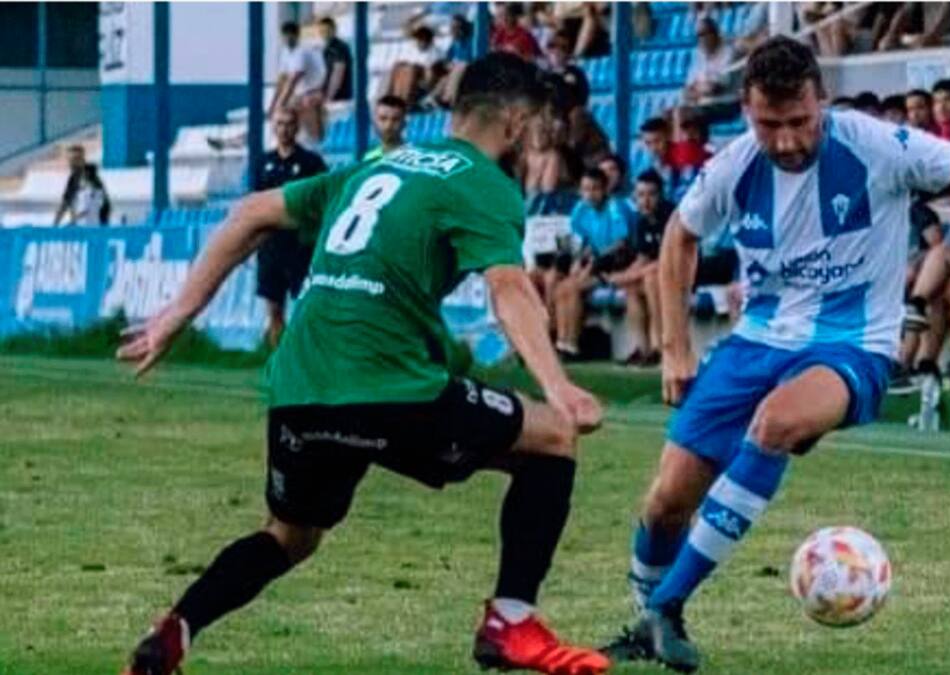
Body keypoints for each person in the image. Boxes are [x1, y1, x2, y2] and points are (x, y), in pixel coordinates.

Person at [599, 36, 950, 673]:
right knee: (665, 502)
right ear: (746, 110)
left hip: (854, 344)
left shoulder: (878, 145)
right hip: (755, 341)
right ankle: (643, 618)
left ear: (823, 101)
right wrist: (674, 348)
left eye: (800, 122)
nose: (788, 140)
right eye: (771, 125)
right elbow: (680, 239)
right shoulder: (735, 166)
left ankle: (669, 606)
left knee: (776, 424)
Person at [118, 52, 610, 675]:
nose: (540, 136)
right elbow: (509, 288)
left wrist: (174, 317)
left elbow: (249, 213)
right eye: (537, 123)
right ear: (513, 123)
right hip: (387, 385)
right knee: (553, 437)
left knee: (291, 536)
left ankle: (176, 629)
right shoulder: (485, 183)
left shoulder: (376, 164)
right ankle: (511, 621)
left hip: (300, 385)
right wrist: (557, 385)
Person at [254, 109, 328, 349]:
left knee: (305, 306)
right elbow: (254, 203)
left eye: (289, 124)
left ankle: (306, 357)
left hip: (300, 247)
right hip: (271, 247)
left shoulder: (311, 162)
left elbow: (322, 199)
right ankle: (278, 358)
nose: (284, 129)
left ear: (297, 128)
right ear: (273, 128)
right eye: (279, 124)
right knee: (274, 308)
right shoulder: (263, 163)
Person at [554, 168, 635, 357]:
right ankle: (562, 341)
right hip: (594, 263)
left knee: (573, 288)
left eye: (595, 189)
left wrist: (592, 262)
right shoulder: (581, 208)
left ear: (606, 189)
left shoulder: (616, 206)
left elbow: (621, 243)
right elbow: (584, 242)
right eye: (586, 189)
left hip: (616, 264)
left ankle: (572, 345)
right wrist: (578, 261)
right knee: (562, 288)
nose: (590, 194)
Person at [607, 170, 674, 366]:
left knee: (651, 278)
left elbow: (667, 260)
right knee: (632, 288)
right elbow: (643, 258)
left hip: (685, 274)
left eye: (651, 194)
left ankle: (660, 346)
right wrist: (623, 276)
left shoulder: (671, 217)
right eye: (640, 195)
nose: (645, 201)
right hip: (656, 273)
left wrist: (624, 277)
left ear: (661, 195)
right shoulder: (642, 221)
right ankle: (642, 348)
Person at [269, 21, 327, 143]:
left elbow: (294, 79)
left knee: (304, 103)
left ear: (296, 36)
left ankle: (315, 140)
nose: (287, 40)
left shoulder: (302, 51)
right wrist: (273, 104)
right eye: (285, 37)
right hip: (300, 92)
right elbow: (282, 79)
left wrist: (280, 104)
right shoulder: (285, 52)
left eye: (290, 37)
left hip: (314, 90)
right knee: (285, 109)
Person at [361, 95, 408, 161]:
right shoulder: (369, 159)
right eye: (383, 119)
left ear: (404, 123)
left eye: (395, 119)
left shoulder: (414, 157)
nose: (388, 125)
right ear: (374, 122)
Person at [319, 17, 353, 103]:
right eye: (322, 31)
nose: (325, 34)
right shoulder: (327, 48)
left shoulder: (338, 48)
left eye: (327, 31)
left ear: (334, 30)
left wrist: (329, 98)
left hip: (339, 98)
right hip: (332, 96)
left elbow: (338, 73)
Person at [52, 145, 88, 226]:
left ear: (83, 159)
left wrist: (55, 224)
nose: (72, 162)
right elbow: (65, 203)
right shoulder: (74, 177)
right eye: (70, 160)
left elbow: (65, 204)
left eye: (75, 159)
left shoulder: (83, 177)